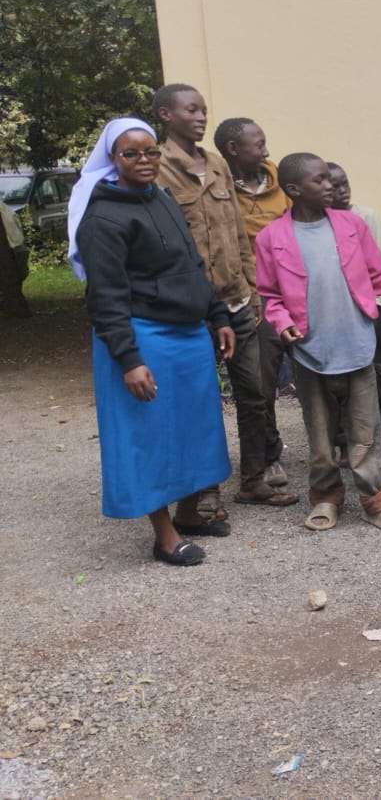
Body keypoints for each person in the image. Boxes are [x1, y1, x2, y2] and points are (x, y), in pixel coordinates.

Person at [72, 118, 237, 565]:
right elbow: (105, 298)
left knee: (194, 428)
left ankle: (190, 512)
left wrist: (217, 314)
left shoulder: (161, 197)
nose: (144, 160)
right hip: (144, 337)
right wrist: (129, 360)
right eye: (131, 154)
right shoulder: (102, 219)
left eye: (150, 152)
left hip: (188, 334)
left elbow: (192, 262)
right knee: (150, 435)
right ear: (113, 159)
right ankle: (164, 537)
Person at [254, 153, 381, 534]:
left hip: (356, 344)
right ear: (294, 189)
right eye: (320, 180)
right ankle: (326, 496)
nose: (330, 185)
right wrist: (283, 323)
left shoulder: (350, 225)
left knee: (365, 431)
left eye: (329, 179)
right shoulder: (271, 238)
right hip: (310, 351)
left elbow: (378, 276)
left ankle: (376, 500)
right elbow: (270, 296)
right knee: (319, 434)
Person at [153, 84, 293, 518]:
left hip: (237, 301)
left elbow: (237, 232)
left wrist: (251, 288)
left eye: (203, 110)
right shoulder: (157, 168)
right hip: (190, 310)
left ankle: (253, 479)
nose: (200, 117)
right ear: (166, 115)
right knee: (199, 401)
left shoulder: (216, 164)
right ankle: (204, 488)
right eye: (190, 110)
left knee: (255, 394)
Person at [218, 116, 292, 488]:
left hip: (294, 289)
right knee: (261, 382)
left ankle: (338, 442)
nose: (265, 149)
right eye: (258, 143)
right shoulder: (218, 187)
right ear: (233, 149)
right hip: (254, 295)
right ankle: (269, 454)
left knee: (324, 372)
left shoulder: (281, 182)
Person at [328, 162, 381, 454]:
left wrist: (378, 305)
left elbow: (379, 264)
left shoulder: (365, 216)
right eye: (335, 186)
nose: (342, 191)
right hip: (336, 309)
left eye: (345, 183)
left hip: (370, 304)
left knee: (380, 365)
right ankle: (345, 434)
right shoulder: (319, 222)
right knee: (340, 371)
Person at [0, 201, 31, 318]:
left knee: (9, 275)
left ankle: (15, 307)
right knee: (10, 276)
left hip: (7, 247)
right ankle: (14, 307)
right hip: (9, 247)